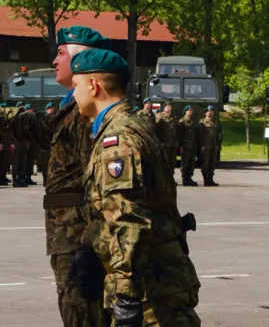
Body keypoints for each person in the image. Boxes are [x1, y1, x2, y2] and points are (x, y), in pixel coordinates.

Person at [70, 48, 200, 325]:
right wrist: (89, 245)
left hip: (150, 289)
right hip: (152, 280)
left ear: (93, 86)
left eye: (75, 85)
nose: (73, 94)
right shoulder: (128, 126)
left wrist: (127, 294)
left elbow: (129, 219)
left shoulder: (118, 140)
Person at [29, 26, 108, 327]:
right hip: (67, 235)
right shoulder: (71, 109)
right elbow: (39, 127)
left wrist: (89, 245)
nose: (54, 60)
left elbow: (97, 186)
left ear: (81, 61)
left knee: (84, 315)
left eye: (61, 53)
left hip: (78, 237)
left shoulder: (87, 114)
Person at [153, 102, 179, 176]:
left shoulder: (174, 117)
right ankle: (165, 178)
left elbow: (178, 130)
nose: (168, 107)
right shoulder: (161, 117)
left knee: (172, 163)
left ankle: (171, 178)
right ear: (163, 109)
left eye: (169, 106)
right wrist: (159, 116)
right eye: (166, 106)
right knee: (165, 162)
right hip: (165, 144)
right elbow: (156, 127)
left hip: (173, 144)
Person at [198, 106, 219, 187]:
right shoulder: (202, 123)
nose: (210, 113)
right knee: (205, 163)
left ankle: (211, 179)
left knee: (212, 163)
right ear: (205, 113)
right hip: (206, 146)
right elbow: (200, 135)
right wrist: (201, 145)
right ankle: (205, 180)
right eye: (208, 111)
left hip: (213, 146)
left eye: (211, 111)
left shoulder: (213, 123)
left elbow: (215, 135)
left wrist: (216, 145)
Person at [177, 106, 198, 186]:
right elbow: (180, 134)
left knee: (192, 163)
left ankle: (189, 178)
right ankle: (184, 179)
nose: (190, 111)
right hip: (185, 146)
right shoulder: (182, 121)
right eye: (188, 110)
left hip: (192, 146)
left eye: (191, 110)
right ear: (185, 111)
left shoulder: (192, 122)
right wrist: (181, 146)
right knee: (185, 163)